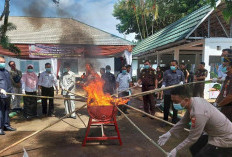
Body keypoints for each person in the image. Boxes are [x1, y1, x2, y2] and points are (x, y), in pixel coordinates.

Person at [158, 86, 232, 157]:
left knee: (202, 155)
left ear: (186, 100)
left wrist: (176, 150)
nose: (174, 104)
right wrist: (170, 133)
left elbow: (192, 137)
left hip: (225, 138)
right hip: (215, 132)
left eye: (176, 101)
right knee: (194, 147)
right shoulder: (193, 101)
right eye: (173, 101)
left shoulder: (198, 113)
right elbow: (183, 121)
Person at [162, 60, 185, 124]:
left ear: (177, 65)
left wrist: (182, 82)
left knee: (175, 107)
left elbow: (183, 80)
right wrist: (163, 85)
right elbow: (164, 80)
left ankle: (174, 121)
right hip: (168, 92)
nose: (172, 66)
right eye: (171, 65)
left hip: (176, 93)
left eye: (173, 65)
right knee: (166, 107)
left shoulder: (180, 72)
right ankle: (165, 120)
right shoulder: (166, 72)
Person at [0, 56, 16, 135]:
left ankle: (6, 125)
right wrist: (0, 90)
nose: (2, 63)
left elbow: (9, 83)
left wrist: (12, 92)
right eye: (1, 62)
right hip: (1, 95)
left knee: (7, 111)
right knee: (0, 112)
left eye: (3, 62)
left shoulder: (6, 71)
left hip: (7, 95)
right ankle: (0, 128)